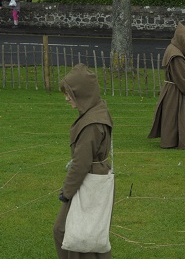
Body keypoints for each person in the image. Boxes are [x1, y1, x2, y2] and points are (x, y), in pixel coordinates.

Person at [53, 63, 114, 259]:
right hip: (95, 176)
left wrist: (67, 193)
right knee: (89, 231)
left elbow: (81, 164)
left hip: (90, 181)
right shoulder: (97, 109)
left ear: (82, 94)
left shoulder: (91, 125)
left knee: (67, 230)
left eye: (69, 94)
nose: (66, 98)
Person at [148, 22, 185, 149]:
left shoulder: (172, 49)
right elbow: (183, 78)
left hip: (171, 88)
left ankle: (174, 140)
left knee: (172, 115)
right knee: (173, 115)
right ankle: (171, 142)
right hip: (174, 90)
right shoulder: (176, 55)